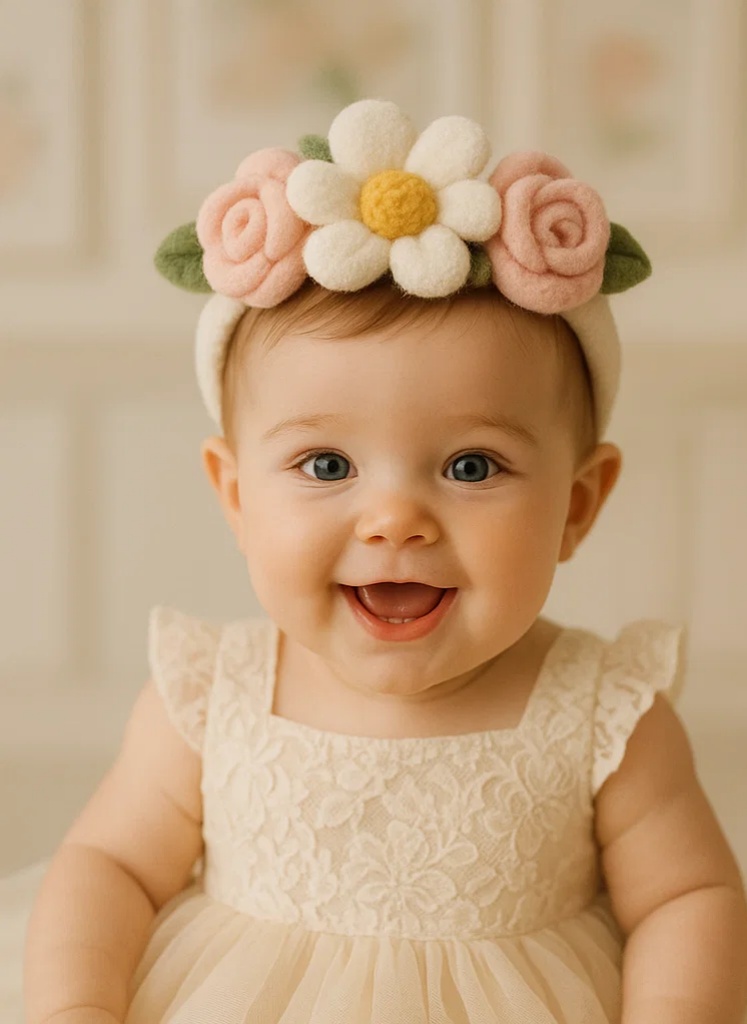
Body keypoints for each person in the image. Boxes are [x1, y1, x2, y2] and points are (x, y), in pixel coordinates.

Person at [17, 98, 747, 1024]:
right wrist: (76, 1007)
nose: (395, 520)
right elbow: (108, 868)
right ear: (237, 496)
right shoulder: (207, 697)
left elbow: (686, 899)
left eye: (470, 466)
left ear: (576, 504)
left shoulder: (606, 715)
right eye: (327, 466)